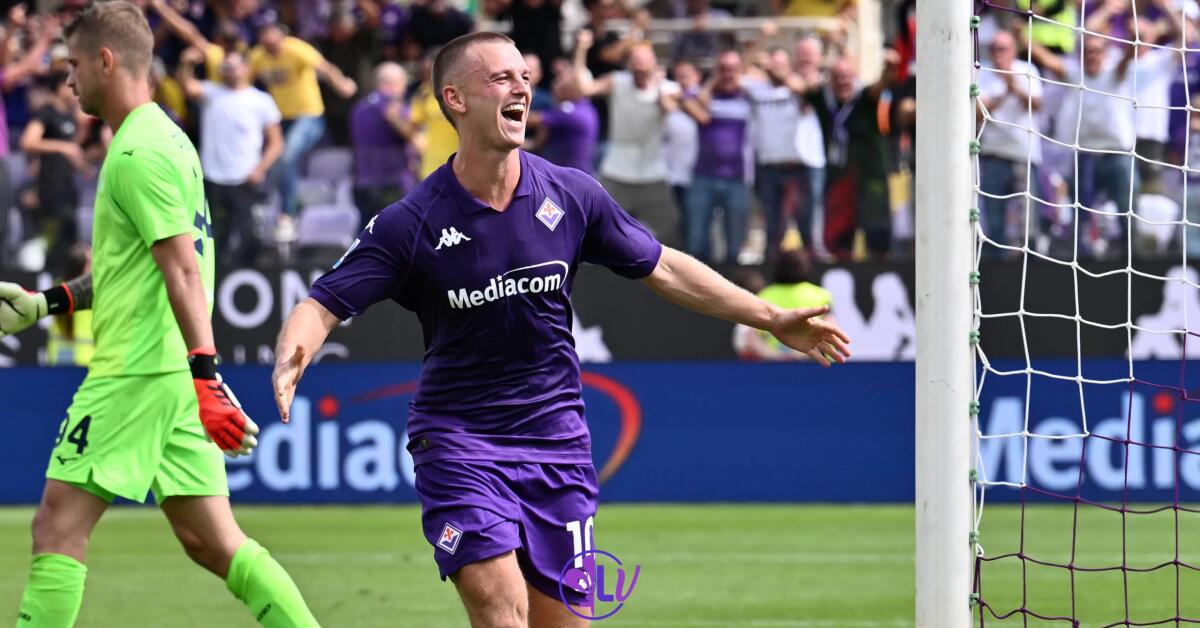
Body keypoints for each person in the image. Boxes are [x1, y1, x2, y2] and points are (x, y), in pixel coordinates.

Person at [271, 31, 851, 628]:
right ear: (455, 99)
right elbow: (323, 303)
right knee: (499, 606)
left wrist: (769, 315)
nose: (520, 86)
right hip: (459, 440)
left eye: (524, 76)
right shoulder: (411, 222)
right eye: (500, 77)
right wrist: (294, 354)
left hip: (558, 446)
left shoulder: (571, 194)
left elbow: (666, 266)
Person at [0, 4, 318, 626]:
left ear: (105, 60)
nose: (68, 83)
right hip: (170, 375)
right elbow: (136, 269)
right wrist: (46, 304)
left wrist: (207, 376)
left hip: (138, 372)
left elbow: (182, 270)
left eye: (72, 66)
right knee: (212, 543)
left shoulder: (136, 152)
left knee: (56, 528)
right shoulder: (168, 138)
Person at [177, 46, 284, 268]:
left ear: (246, 68)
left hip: (245, 180)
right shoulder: (212, 93)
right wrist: (187, 63)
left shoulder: (261, 100)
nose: (228, 71)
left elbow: (276, 142)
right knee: (213, 241)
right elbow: (187, 86)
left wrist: (260, 169)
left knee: (250, 240)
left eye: (233, 66)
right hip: (213, 180)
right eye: (224, 67)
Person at [248, 20, 358, 235]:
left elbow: (325, 67)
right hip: (280, 117)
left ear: (282, 37)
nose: (270, 45)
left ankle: (284, 210)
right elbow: (246, 78)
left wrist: (342, 85)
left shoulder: (296, 49)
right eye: (265, 40)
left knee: (287, 156)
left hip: (308, 114)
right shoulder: (258, 56)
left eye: (274, 39)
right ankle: (286, 213)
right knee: (286, 162)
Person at [577, 33, 683, 247]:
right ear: (629, 65)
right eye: (636, 62)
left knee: (670, 230)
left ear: (654, 64)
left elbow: (670, 110)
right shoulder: (617, 82)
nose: (640, 68)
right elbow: (585, 89)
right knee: (596, 225)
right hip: (616, 171)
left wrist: (659, 86)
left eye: (644, 62)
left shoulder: (669, 88)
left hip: (653, 174)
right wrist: (581, 50)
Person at [680, 48, 752, 265]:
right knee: (696, 240)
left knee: (735, 242)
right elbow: (692, 106)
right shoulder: (702, 95)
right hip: (704, 176)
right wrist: (713, 82)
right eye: (723, 69)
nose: (728, 74)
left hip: (737, 178)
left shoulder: (748, 96)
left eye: (733, 69)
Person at [976, 30, 1044, 257]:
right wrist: (1005, 93)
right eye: (994, 48)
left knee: (1029, 223)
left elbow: (1036, 105)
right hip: (993, 154)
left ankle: (1030, 269)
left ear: (1014, 50)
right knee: (994, 223)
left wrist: (1014, 86)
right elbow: (977, 112)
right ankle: (998, 270)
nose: (998, 54)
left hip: (1023, 155)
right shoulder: (981, 72)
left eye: (1002, 48)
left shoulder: (1027, 70)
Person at [20, 71, 89, 279]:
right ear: (59, 87)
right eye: (68, 85)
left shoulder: (68, 115)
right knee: (52, 246)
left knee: (70, 247)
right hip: (51, 189)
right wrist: (63, 148)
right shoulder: (46, 113)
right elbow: (28, 141)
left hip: (68, 189)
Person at [350, 62, 418, 229]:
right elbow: (417, 140)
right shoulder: (394, 107)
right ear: (394, 83)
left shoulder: (359, 108)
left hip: (363, 182)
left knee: (365, 237)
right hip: (393, 183)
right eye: (404, 84)